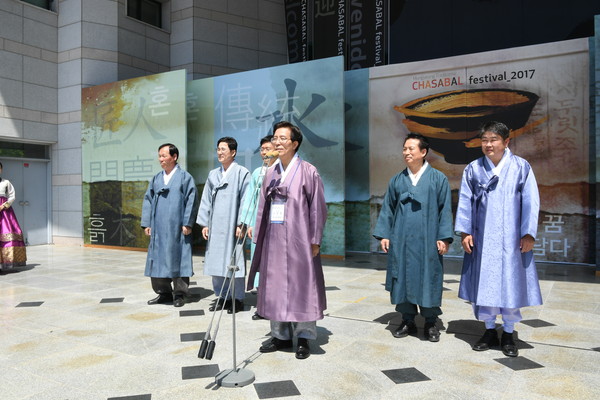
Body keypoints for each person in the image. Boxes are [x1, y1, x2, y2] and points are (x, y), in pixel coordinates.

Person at [455, 121, 542, 357]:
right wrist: (465, 232)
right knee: (485, 282)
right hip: (482, 239)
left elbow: (530, 201)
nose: (488, 144)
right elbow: (465, 201)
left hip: (512, 240)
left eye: (493, 140)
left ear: (506, 141)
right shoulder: (473, 169)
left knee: (510, 283)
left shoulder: (521, 167)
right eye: (484, 140)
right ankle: (490, 329)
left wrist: (528, 234)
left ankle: (509, 332)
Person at [248, 121, 328, 360]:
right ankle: (280, 334)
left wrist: (314, 239)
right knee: (274, 286)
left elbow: (318, 208)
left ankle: (304, 336)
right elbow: (262, 206)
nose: (277, 142)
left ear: (295, 144)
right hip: (274, 238)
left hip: (299, 239)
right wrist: (258, 232)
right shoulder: (270, 173)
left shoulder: (308, 171)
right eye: (275, 138)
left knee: (302, 285)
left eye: (283, 138)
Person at [373, 133, 453, 342]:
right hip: (401, 239)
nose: (406, 153)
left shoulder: (438, 179)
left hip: (428, 240)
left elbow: (445, 210)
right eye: (404, 149)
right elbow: (388, 209)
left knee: (429, 277)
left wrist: (444, 237)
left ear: (423, 152)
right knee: (403, 276)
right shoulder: (398, 180)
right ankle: (407, 319)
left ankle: (430, 322)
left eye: (411, 149)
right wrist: (385, 234)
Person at [141, 144, 200, 308]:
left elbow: (191, 201)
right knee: (158, 258)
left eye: (164, 156)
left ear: (174, 157)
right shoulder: (156, 178)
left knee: (178, 257)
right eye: (159, 156)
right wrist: (147, 223)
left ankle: (179, 293)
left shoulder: (184, 177)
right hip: (159, 226)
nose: (160, 159)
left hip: (177, 227)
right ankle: (163, 292)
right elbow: (148, 199)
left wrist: (188, 223)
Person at [197, 137, 250, 314]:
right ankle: (222, 296)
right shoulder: (213, 174)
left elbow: (246, 200)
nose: (219, 152)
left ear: (233, 152)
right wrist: (205, 223)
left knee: (234, 261)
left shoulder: (243, 173)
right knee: (216, 261)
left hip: (233, 225)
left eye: (223, 149)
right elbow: (206, 200)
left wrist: (241, 223)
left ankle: (238, 298)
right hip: (216, 224)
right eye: (218, 149)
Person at [237, 135, 275, 320]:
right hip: (258, 228)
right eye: (262, 149)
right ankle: (262, 305)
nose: (264, 152)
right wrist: (247, 223)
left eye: (268, 148)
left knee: (273, 266)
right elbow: (250, 200)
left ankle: (274, 305)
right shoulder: (257, 173)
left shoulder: (280, 171)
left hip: (275, 227)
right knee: (258, 264)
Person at [0, 162, 27, 271]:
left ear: (1, 169)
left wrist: (3, 206)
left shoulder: (6, 183)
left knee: (6, 236)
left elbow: (12, 196)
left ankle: (2, 264)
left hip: (4, 212)